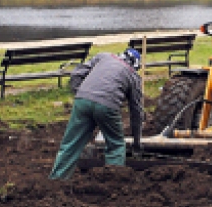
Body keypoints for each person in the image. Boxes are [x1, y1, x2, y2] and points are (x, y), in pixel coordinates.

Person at [49, 48, 143, 178]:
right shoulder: (133, 75)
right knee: (115, 144)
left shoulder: (103, 56)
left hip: (82, 101)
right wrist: (137, 143)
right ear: (136, 65)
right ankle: (114, 182)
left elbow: (76, 74)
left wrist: (81, 94)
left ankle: (57, 180)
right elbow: (136, 112)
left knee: (71, 144)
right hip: (108, 105)